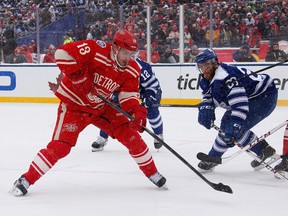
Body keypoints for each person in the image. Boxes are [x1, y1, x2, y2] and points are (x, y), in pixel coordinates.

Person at [10, 29, 167, 196]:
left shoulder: (133, 68)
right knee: (61, 146)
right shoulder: (96, 49)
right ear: (115, 47)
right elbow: (62, 54)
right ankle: (25, 179)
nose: (128, 58)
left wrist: (136, 112)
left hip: (101, 107)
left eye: (132, 53)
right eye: (125, 52)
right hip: (74, 105)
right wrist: (80, 79)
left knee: (132, 136)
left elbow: (128, 95)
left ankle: (152, 173)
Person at [195, 49, 278, 172]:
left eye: (207, 65)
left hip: (263, 97)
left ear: (214, 63)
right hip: (250, 97)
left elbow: (240, 106)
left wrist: (235, 125)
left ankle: (214, 157)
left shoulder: (226, 78)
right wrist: (206, 107)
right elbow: (208, 95)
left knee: (234, 128)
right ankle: (265, 151)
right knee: (227, 127)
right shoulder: (207, 78)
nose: (204, 69)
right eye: (201, 66)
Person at [91, 57, 164, 151]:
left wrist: (149, 97)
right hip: (126, 91)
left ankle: (158, 134)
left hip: (146, 90)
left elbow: (152, 85)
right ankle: (102, 137)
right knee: (111, 112)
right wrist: (113, 95)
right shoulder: (112, 66)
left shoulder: (142, 67)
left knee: (150, 109)